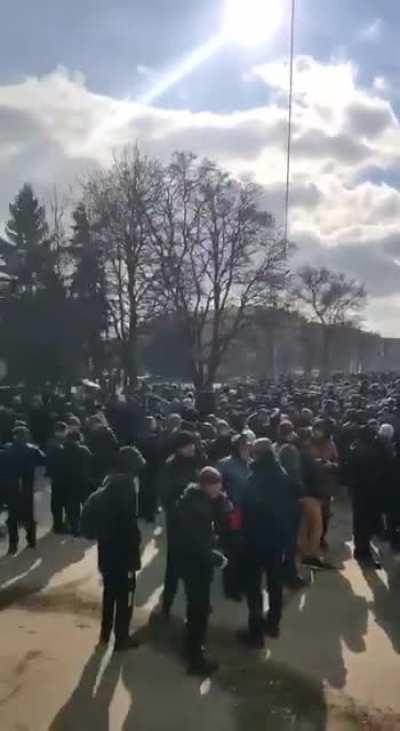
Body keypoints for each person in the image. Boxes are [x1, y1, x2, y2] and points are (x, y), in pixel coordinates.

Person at [80, 446, 145, 652]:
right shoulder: (126, 490)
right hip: (124, 554)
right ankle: (122, 639)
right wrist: (135, 555)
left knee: (109, 594)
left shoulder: (105, 487)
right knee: (124, 599)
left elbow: (91, 524)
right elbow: (130, 527)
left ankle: (105, 634)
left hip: (106, 552)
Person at [175, 466, 229, 675]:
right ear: (206, 485)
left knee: (197, 606)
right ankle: (195, 659)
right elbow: (197, 543)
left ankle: (192, 646)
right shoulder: (197, 508)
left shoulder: (196, 499)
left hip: (191, 564)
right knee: (198, 609)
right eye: (216, 486)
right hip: (195, 565)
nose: (219, 489)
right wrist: (217, 558)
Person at [239, 439, 291, 648]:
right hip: (276, 540)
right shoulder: (282, 474)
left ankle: (255, 634)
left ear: (257, 454)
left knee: (254, 588)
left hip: (256, 540)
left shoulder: (255, 477)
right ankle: (273, 624)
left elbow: (248, 508)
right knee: (274, 584)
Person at [159, 431, 201, 617]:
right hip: (178, 524)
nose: (191, 447)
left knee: (196, 567)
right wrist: (181, 513)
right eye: (187, 445)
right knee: (174, 567)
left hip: (197, 523)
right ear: (178, 447)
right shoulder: (170, 466)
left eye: (192, 444)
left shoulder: (197, 462)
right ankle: (167, 603)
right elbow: (166, 497)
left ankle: (199, 605)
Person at [1, 425, 45, 554]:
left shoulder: (6, 450)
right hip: (26, 486)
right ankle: (31, 541)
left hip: (10, 486)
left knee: (13, 516)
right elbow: (44, 461)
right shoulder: (33, 450)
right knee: (28, 515)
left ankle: (13, 545)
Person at [218, 434, 251, 600]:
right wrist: (226, 504)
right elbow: (218, 489)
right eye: (244, 447)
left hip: (248, 513)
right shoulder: (225, 465)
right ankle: (231, 588)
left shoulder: (250, 464)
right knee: (232, 553)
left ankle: (244, 583)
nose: (247, 449)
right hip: (231, 514)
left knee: (245, 551)